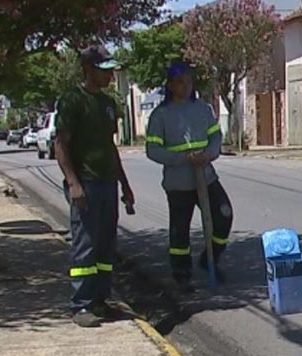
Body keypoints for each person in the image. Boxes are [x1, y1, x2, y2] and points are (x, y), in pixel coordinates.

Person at [55, 45, 135, 327]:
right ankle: (82, 305)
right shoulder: (72, 100)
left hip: (107, 183)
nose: (111, 75)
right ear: (89, 70)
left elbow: (109, 147)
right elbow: (61, 145)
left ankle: (101, 300)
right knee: (85, 247)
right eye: (105, 70)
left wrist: (124, 184)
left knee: (105, 246)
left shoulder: (107, 104)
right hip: (85, 184)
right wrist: (73, 183)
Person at [145, 61, 232, 292]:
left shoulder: (203, 110)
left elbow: (215, 138)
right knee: (179, 229)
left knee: (223, 215)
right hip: (178, 183)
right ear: (171, 85)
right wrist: (184, 158)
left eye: (188, 81)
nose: (184, 86)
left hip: (206, 176)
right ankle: (181, 273)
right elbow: (153, 150)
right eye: (179, 82)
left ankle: (210, 259)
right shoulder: (160, 115)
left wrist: (208, 155)